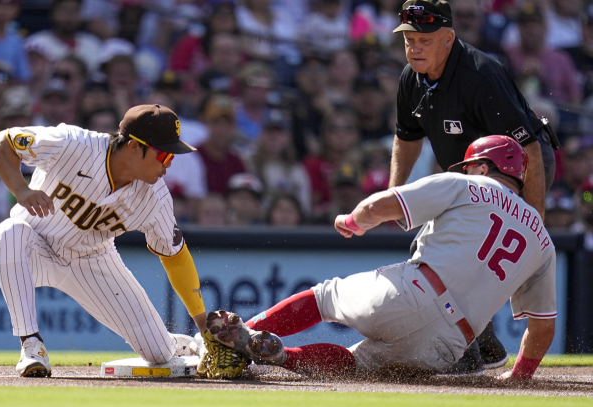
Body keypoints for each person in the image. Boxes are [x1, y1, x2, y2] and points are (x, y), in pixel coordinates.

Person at [205, 135, 556, 382]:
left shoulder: (467, 185)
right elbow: (542, 328)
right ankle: (282, 357)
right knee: (356, 366)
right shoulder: (542, 238)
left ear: (482, 166)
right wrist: (519, 376)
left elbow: (380, 206)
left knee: (326, 297)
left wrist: (351, 221)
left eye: (469, 166)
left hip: (415, 290)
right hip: (449, 344)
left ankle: (242, 334)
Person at [0, 104, 248, 379]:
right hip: (34, 246)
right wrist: (20, 188)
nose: (169, 163)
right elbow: (1, 141)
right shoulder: (73, 145)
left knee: (159, 354)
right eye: (164, 154)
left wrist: (202, 325)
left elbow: (175, 257)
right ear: (134, 147)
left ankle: (182, 343)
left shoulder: (155, 197)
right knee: (10, 232)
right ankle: (31, 346)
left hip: (92, 260)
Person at [389, 0, 557, 372]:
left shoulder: (481, 75)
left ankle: (469, 352)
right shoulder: (410, 79)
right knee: (440, 249)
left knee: (442, 249)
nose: (414, 47)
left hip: (521, 169)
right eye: (409, 39)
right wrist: (393, 191)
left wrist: (533, 221)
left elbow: (529, 147)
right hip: (470, 177)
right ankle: (484, 347)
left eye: (424, 40)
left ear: (448, 39)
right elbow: (407, 138)